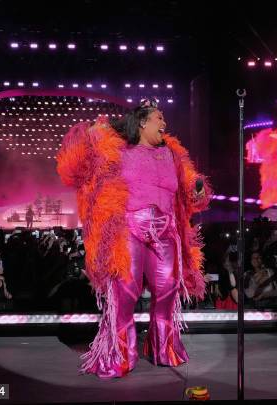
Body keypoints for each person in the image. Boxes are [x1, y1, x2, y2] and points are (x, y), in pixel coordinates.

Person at [56, 98, 211, 378]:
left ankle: (165, 350)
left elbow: (190, 191)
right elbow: (78, 168)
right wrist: (93, 134)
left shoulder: (172, 153)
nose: (164, 124)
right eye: (159, 118)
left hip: (166, 229)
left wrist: (197, 190)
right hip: (129, 229)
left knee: (168, 290)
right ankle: (120, 356)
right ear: (142, 122)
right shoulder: (119, 149)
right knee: (125, 293)